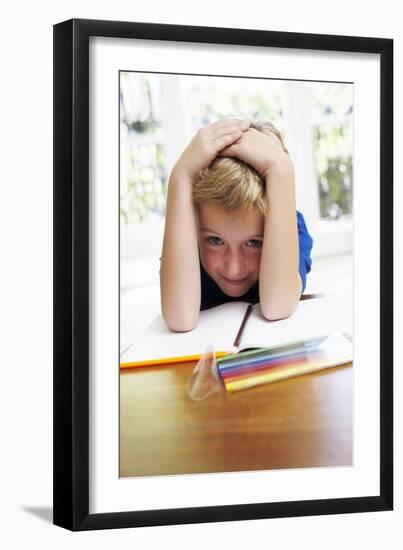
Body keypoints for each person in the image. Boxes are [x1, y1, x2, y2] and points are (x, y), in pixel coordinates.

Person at [160, 118, 313, 332]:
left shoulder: (292, 230)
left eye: (253, 243)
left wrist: (281, 168)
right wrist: (181, 175)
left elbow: (277, 307)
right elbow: (180, 319)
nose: (233, 268)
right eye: (215, 240)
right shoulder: (187, 233)